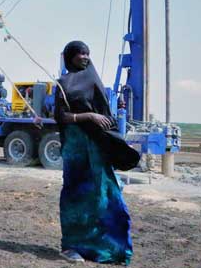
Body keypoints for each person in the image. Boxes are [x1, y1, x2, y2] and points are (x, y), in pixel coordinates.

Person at [54, 41, 140, 265]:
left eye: (87, 53)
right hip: (75, 150)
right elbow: (61, 117)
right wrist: (88, 117)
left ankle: (111, 249)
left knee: (106, 195)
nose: (85, 57)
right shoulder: (62, 84)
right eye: (80, 53)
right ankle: (70, 247)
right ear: (70, 56)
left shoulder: (93, 80)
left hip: (96, 146)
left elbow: (106, 114)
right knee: (76, 197)